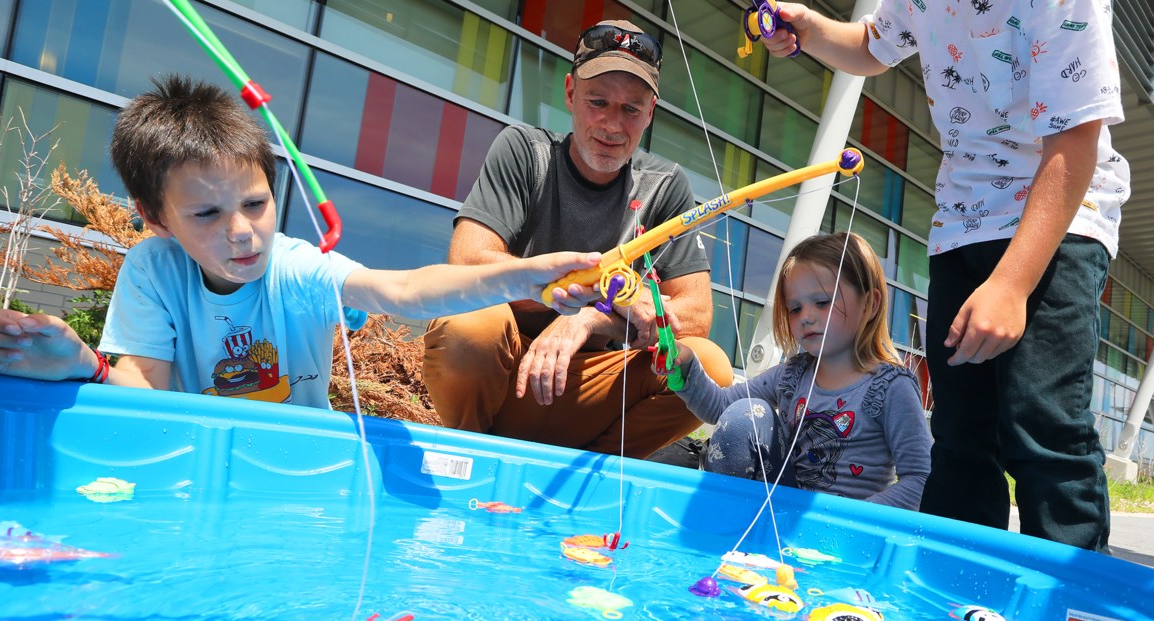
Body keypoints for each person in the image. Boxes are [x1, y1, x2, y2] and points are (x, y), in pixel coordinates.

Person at [0, 75, 602, 407]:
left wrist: (520, 277)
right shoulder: (153, 269)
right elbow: (144, 388)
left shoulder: (293, 266)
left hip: (302, 464)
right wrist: (83, 369)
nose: (242, 232)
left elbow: (401, 290)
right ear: (155, 219)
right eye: (206, 214)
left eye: (256, 203)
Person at [764, 3, 1128, 549]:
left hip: (1060, 222)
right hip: (961, 225)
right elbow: (871, 44)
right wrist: (813, 31)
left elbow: (1075, 140)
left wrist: (1011, 284)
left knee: (1042, 425)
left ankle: (1074, 617)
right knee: (960, 433)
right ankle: (955, 599)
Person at [423, 19, 734, 459]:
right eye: (598, 102)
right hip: (507, 372)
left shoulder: (665, 185)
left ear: (650, 112)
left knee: (707, 365)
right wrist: (598, 287)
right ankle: (470, 456)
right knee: (469, 327)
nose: (612, 124)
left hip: (592, 385)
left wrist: (594, 318)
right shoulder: (523, 151)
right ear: (570, 93)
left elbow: (696, 313)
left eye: (631, 109)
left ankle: (592, 477)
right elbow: (469, 265)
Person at [660, 233, 930, 509]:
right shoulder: (793, 374)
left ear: (869, 304)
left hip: (845, 535)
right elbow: (720, 406)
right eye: (795, 308)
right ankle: (724, 525)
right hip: (783, 520)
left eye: (822, 302)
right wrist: (686, 366)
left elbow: (919, 478)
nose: (806, 317)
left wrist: (852, 519)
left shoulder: (892, 386)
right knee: (746, 417)